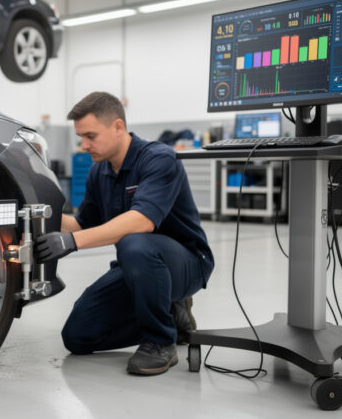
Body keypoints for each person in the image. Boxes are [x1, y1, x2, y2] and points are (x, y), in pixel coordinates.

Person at [34, 92, 214, 376]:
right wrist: (41, 213)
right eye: (81, 137)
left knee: (134, 242)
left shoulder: (159, 159)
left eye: (91, 136)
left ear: (118, 127)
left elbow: (141, 222)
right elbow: (83, 225)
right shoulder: (99, 172)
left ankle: (160, 342)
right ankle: (171, 317)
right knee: (77, 336)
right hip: (137, 266)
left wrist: (71, 243)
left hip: (187, 263)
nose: (84, 145)